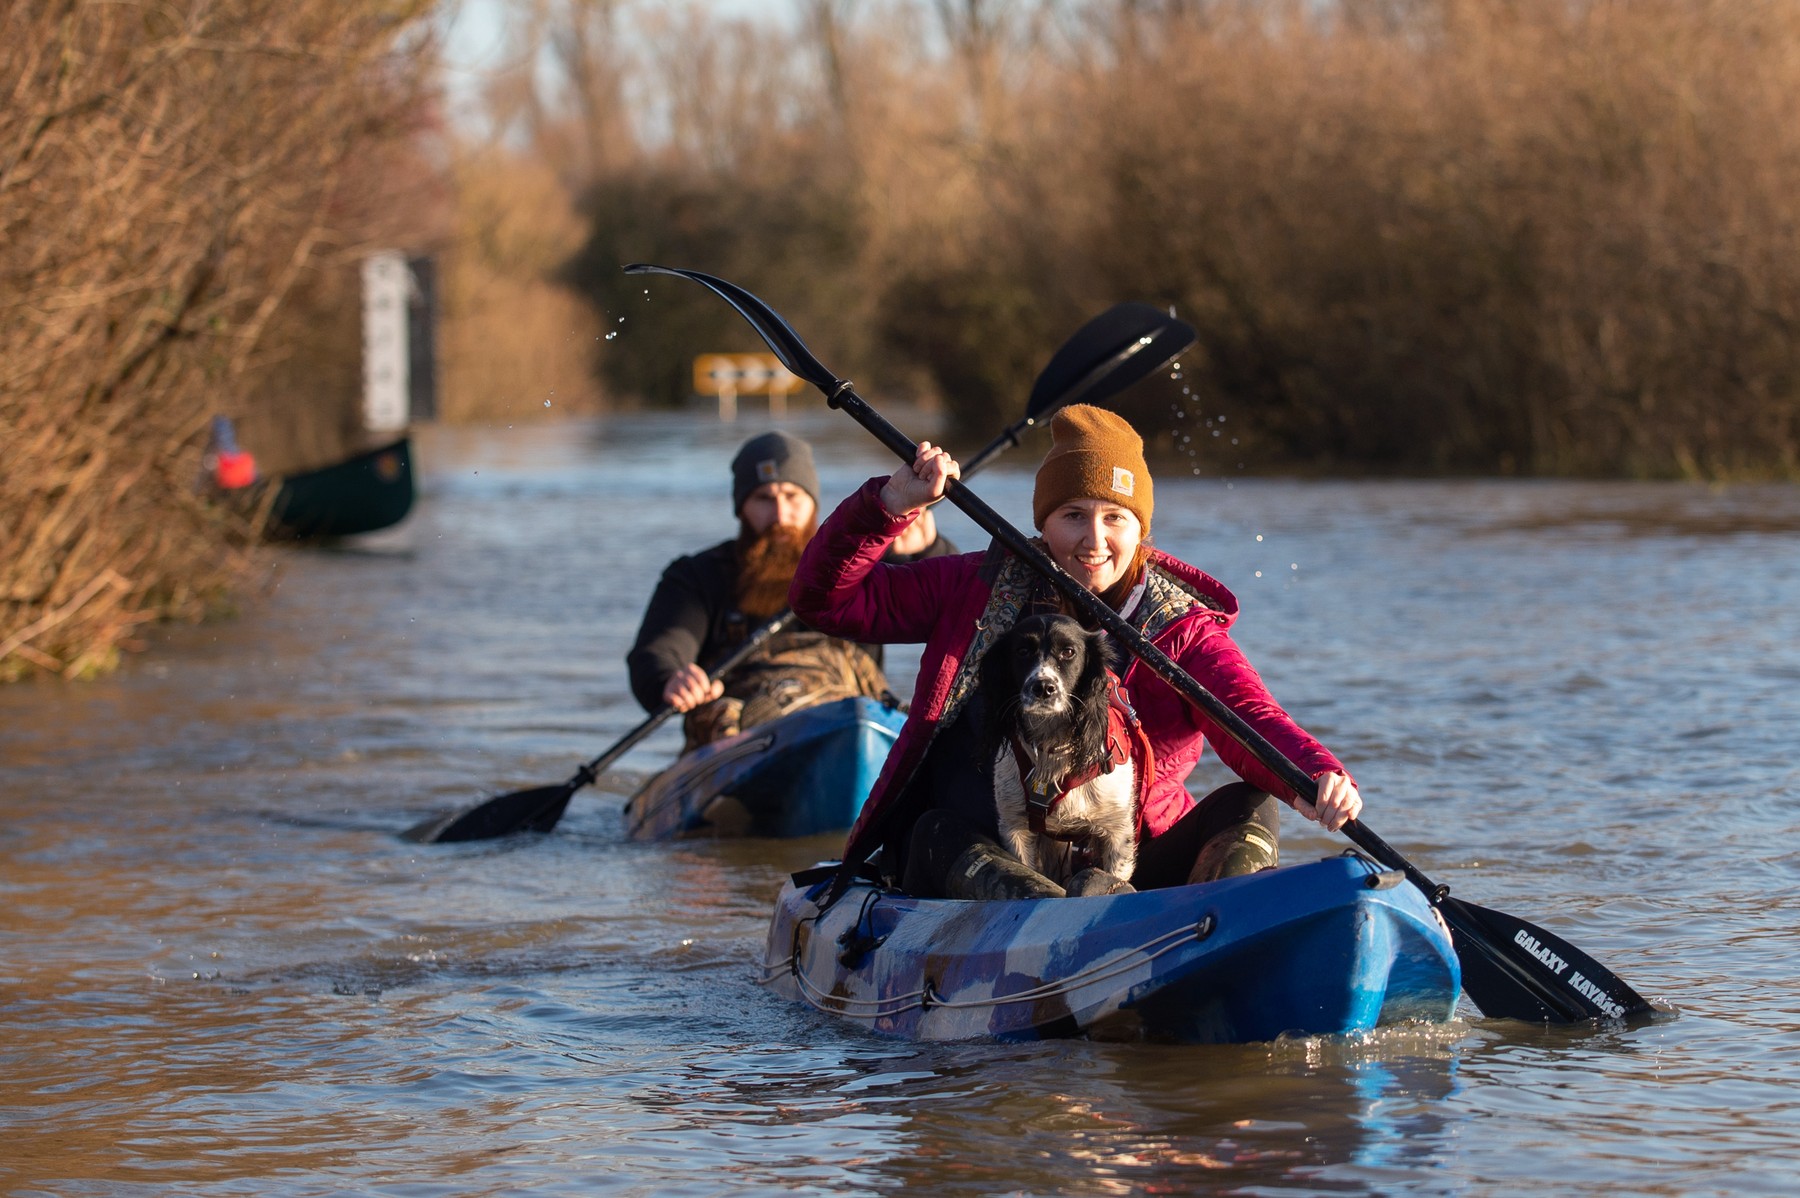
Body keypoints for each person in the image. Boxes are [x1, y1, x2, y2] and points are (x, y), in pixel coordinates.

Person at [787, 404, 1363, 900]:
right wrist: (889, 505)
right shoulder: (978, 585)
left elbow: (1250, 718)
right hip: (990, 848)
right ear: (1044, 522)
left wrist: (1315, 776)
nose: (1094, 539)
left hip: (1130, 859)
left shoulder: (1182, 629)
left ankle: (1221, 929)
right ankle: (1045, 920)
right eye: (1073, 516)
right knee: (931, 830)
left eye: (1115, 517)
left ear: (1140, 530)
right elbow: (825, 603)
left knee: (1250, 802)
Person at [626, 430, 954, 750]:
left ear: (813, 503)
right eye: (764, 499)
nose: (781, 515)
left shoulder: (869, 561)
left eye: (792, 496)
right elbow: (659, 651)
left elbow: (957, 613)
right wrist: (671, 677)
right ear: (741, 508)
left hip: (851, 726)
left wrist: (927, 550)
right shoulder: (697, 576)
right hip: (743, 737)